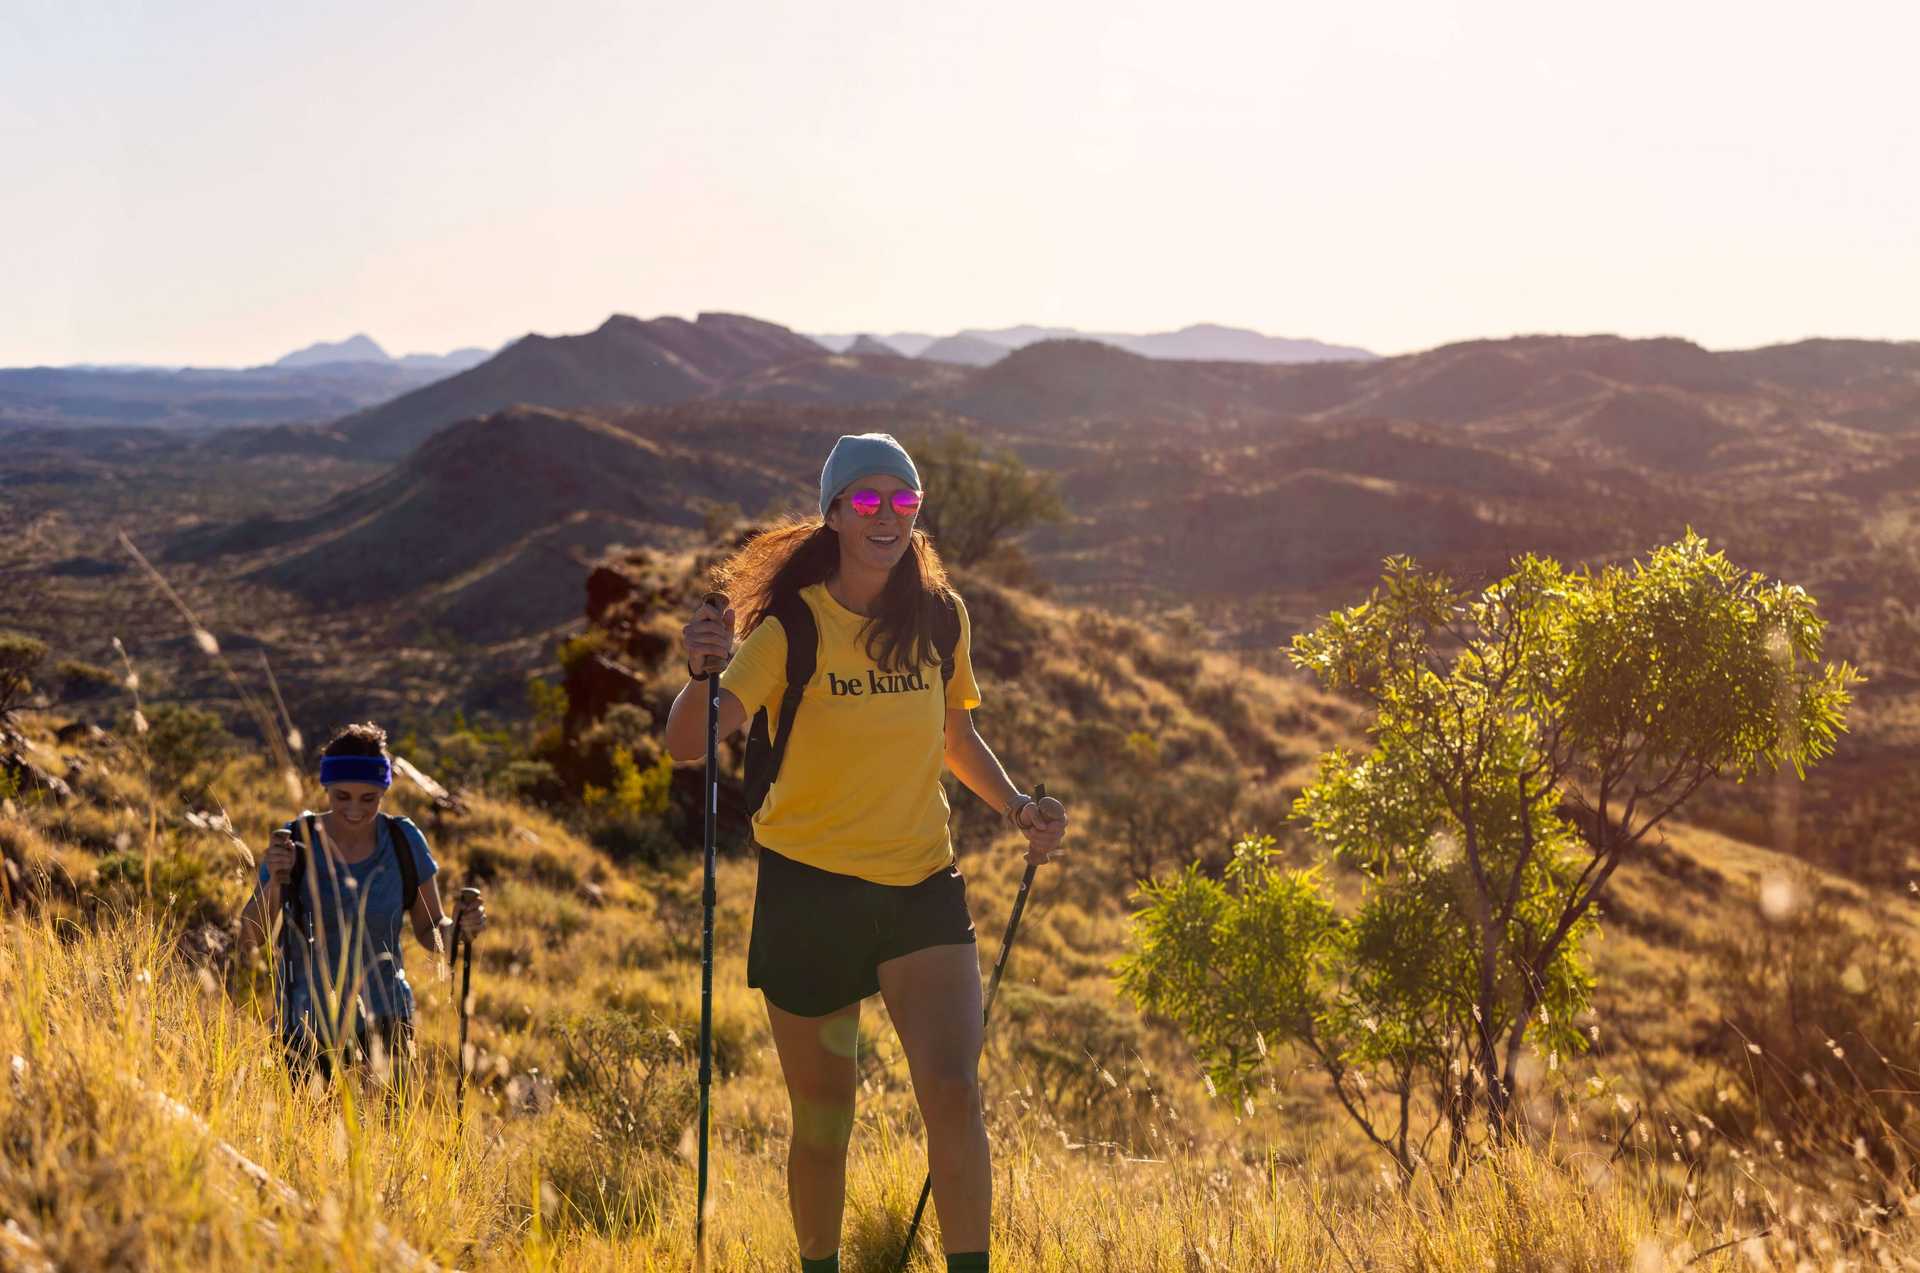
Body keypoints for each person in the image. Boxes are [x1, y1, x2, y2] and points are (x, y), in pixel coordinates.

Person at [664, 432, 1069, 1273]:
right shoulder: (791, 628)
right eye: (868, 500)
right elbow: (687, 742)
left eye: (904, 500)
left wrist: (1018, 806)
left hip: (921, 886)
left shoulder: (941, 617)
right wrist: (701, 674)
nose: (888, 516)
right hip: (808, 894)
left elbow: (957, 735)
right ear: (836, 514)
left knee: (955, 1095)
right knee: (822, 1117)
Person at [236, 722, 486, 1080]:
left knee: (383, 1136)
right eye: (341, 797)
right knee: (308, 1136)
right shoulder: (294, 841)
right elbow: (250, 938)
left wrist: (461, 929)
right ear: (325, 787)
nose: (354, 810)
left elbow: (431, 929)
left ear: (384, 790)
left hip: (387, 1024)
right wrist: (275, 881)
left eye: (368, 798)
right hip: (305, 1029)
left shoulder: (403, 841)